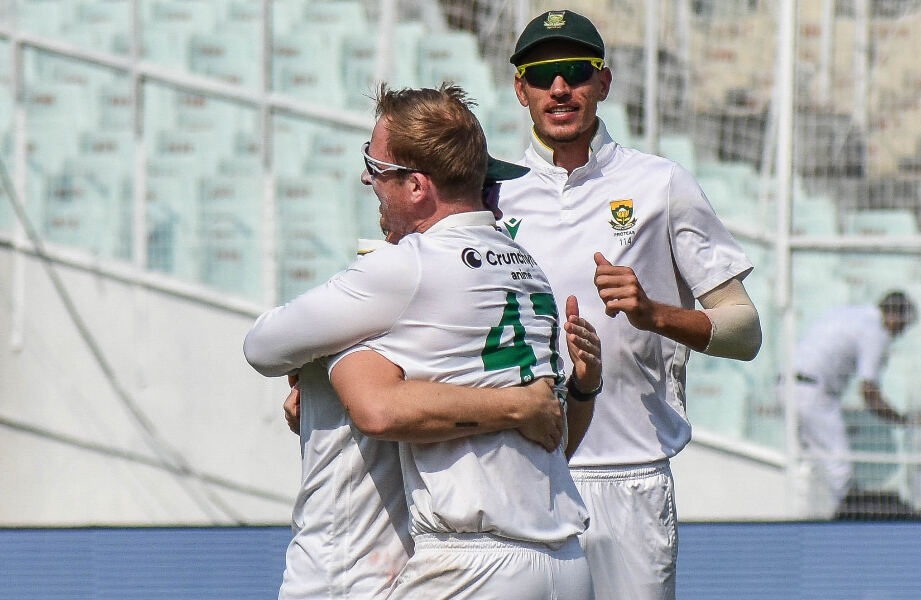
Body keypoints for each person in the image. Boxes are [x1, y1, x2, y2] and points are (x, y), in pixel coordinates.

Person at [245, 84, 599, 599]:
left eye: (376, 166)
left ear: (416, 186)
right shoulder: (528, 268)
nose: (367, 177)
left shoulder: (406, 267)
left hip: (474, 563)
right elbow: (552, 429)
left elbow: (263, 346)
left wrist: (322, 356)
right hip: (565, 563)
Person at [498, 10, 763, 600]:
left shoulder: (660, 183)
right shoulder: (492, 191)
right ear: (520, 89)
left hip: (630, 475)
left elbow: (745, 330)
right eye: (542, 75)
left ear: (604, 83)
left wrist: (656, 315)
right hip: (523, 474)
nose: (559, 88)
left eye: (575, 71)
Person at [791, 291, 920, 517]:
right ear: (893, 316)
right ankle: (844, 528)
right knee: (839, 467)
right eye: (901, 325)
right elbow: (869, 392)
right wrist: (903, 420)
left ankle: (805, 516)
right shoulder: (876, 331)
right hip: (812, 392)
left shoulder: (849, 313)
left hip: (788, 386)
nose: (899, 333)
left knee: (808, 466)